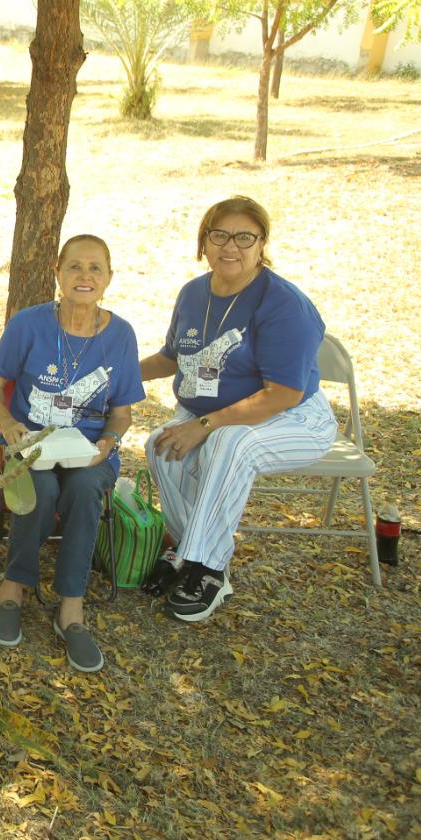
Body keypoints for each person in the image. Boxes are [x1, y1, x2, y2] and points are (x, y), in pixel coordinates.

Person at [139, 196, 334, 623]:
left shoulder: (283, 303)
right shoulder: (194, 293)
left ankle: (208, 569)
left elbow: (283, 394)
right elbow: (173, 357)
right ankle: (190, 549)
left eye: (245, 237)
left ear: (261, 243)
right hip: (214, 414)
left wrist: (206, 425)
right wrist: (119, 378)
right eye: (219, 235)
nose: (231, 246)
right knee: (160, 445)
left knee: (227, 444)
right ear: (203, 242)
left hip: (293, 416)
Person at [0, 235, 143, 672]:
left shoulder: (121, 335)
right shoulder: (29, 324)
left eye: (95, 268)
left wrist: (109, 443)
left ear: (109, 277)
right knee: (41, 487)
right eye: (75, 266)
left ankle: (71, 606)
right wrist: (8, 424)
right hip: (29, 443)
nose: (84, 276)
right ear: (57, 271)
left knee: (86, 487)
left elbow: (122, 413)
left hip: (90, 450)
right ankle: (14, 588)